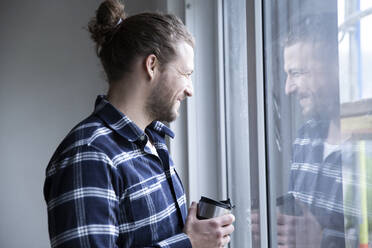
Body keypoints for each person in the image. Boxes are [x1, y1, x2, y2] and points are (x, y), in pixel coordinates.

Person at [43, 0, 235, 247]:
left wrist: (194, 236)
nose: (190, 90)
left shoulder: (154, 142)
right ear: (152, 65)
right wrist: (189, 243)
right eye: (186, 74)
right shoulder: (89, 155)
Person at [276, 14, 350, 248]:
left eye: (298, 73)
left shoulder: (365, 144)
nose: (288, 88)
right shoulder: (305, 137)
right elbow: (299, 228)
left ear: (336, 67)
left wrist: (322, 239)